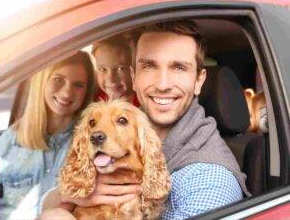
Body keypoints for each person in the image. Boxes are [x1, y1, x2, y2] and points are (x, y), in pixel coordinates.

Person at [38, 20, 250, 220]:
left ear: (198, 80)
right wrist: (67, 198)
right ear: (134, 77)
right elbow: (51, 200)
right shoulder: (126, 124)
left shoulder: (211, 181)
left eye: (179, 68)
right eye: (149, 66)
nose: (162, 84)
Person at [0, 51, 95, 220]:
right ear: (42, 81)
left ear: (87, 90)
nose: (67, 93)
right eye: (58, 80)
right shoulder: (11, 139)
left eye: (78, 85)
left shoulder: (90, 142)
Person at [91, 34, 139, 106]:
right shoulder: (94, 100)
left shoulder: (142, 102)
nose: (111, 79)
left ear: (133, 69)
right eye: (102, 69)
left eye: (121, 69)